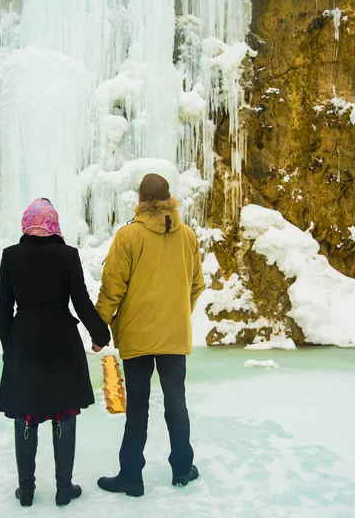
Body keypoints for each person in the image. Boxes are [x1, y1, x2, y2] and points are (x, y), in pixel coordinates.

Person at [95, 173, 205, 497]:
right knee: (176, 403)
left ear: (140, 202)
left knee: (138, 408)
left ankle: (131, 476)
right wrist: (178, 313)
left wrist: (99, 327)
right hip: (174, 336)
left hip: (137, 336)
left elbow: (112, 288)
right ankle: (183, 468)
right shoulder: (187, 236)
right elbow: (197, 285)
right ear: (169, 198)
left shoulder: (128, 236)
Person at [0, 198, 110, 507]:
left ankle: (27, 490)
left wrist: (11, 347)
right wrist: (100, 335)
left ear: (27, 223)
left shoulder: (11, 256)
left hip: (24, 339)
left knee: (25, 414)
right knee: (64, 412)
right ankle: (63, 487)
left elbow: (2, 308)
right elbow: (81, 302)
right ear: (53, 223)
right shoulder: (68, 255)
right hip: (62, 338)